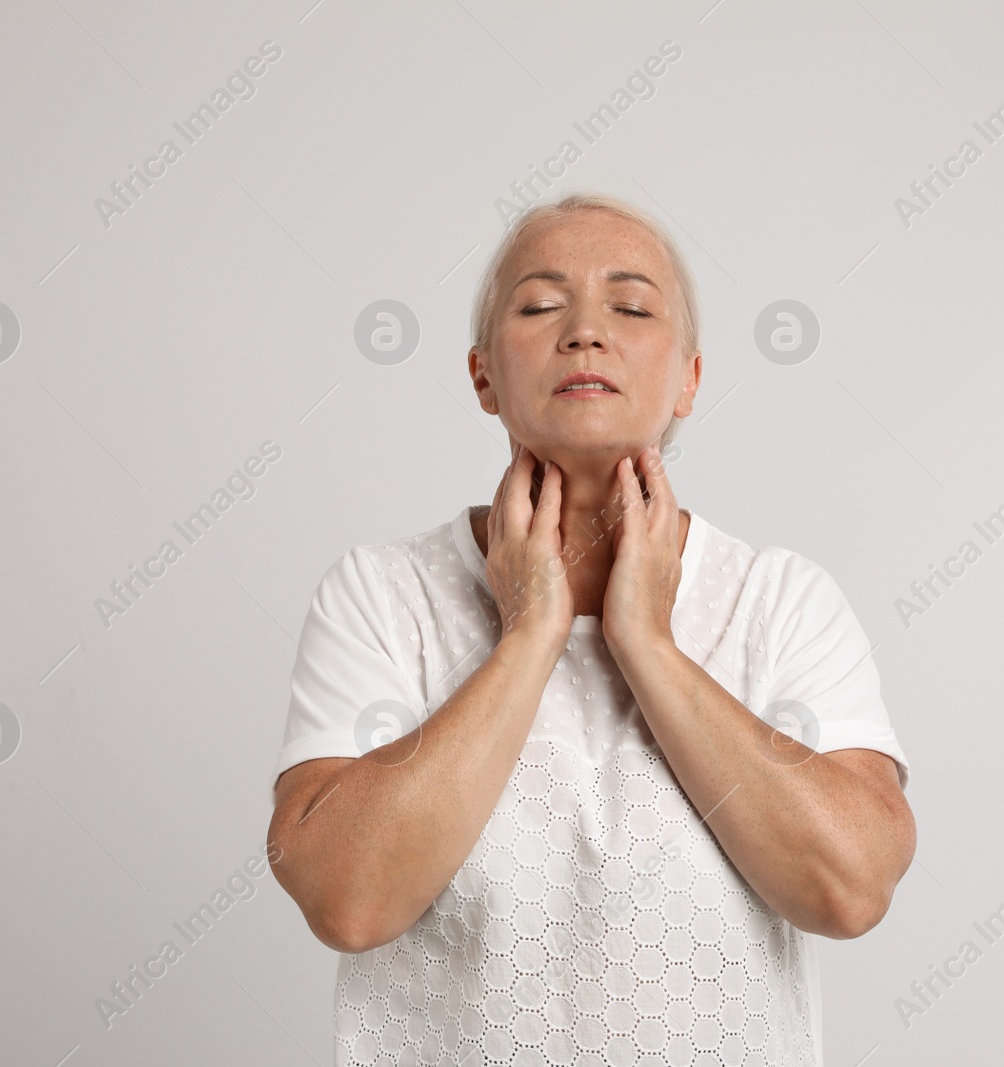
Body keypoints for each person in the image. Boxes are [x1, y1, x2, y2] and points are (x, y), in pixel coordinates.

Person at [267, 191, 915, 1066]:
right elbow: (349, 900)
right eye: (539, 306)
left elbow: (849, 888)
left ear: (689, 375)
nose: (585, 331)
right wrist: (530, 631)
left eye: (632, 306)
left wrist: (645, 642)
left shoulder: (779, 598)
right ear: (483, 374)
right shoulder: (382, 595)